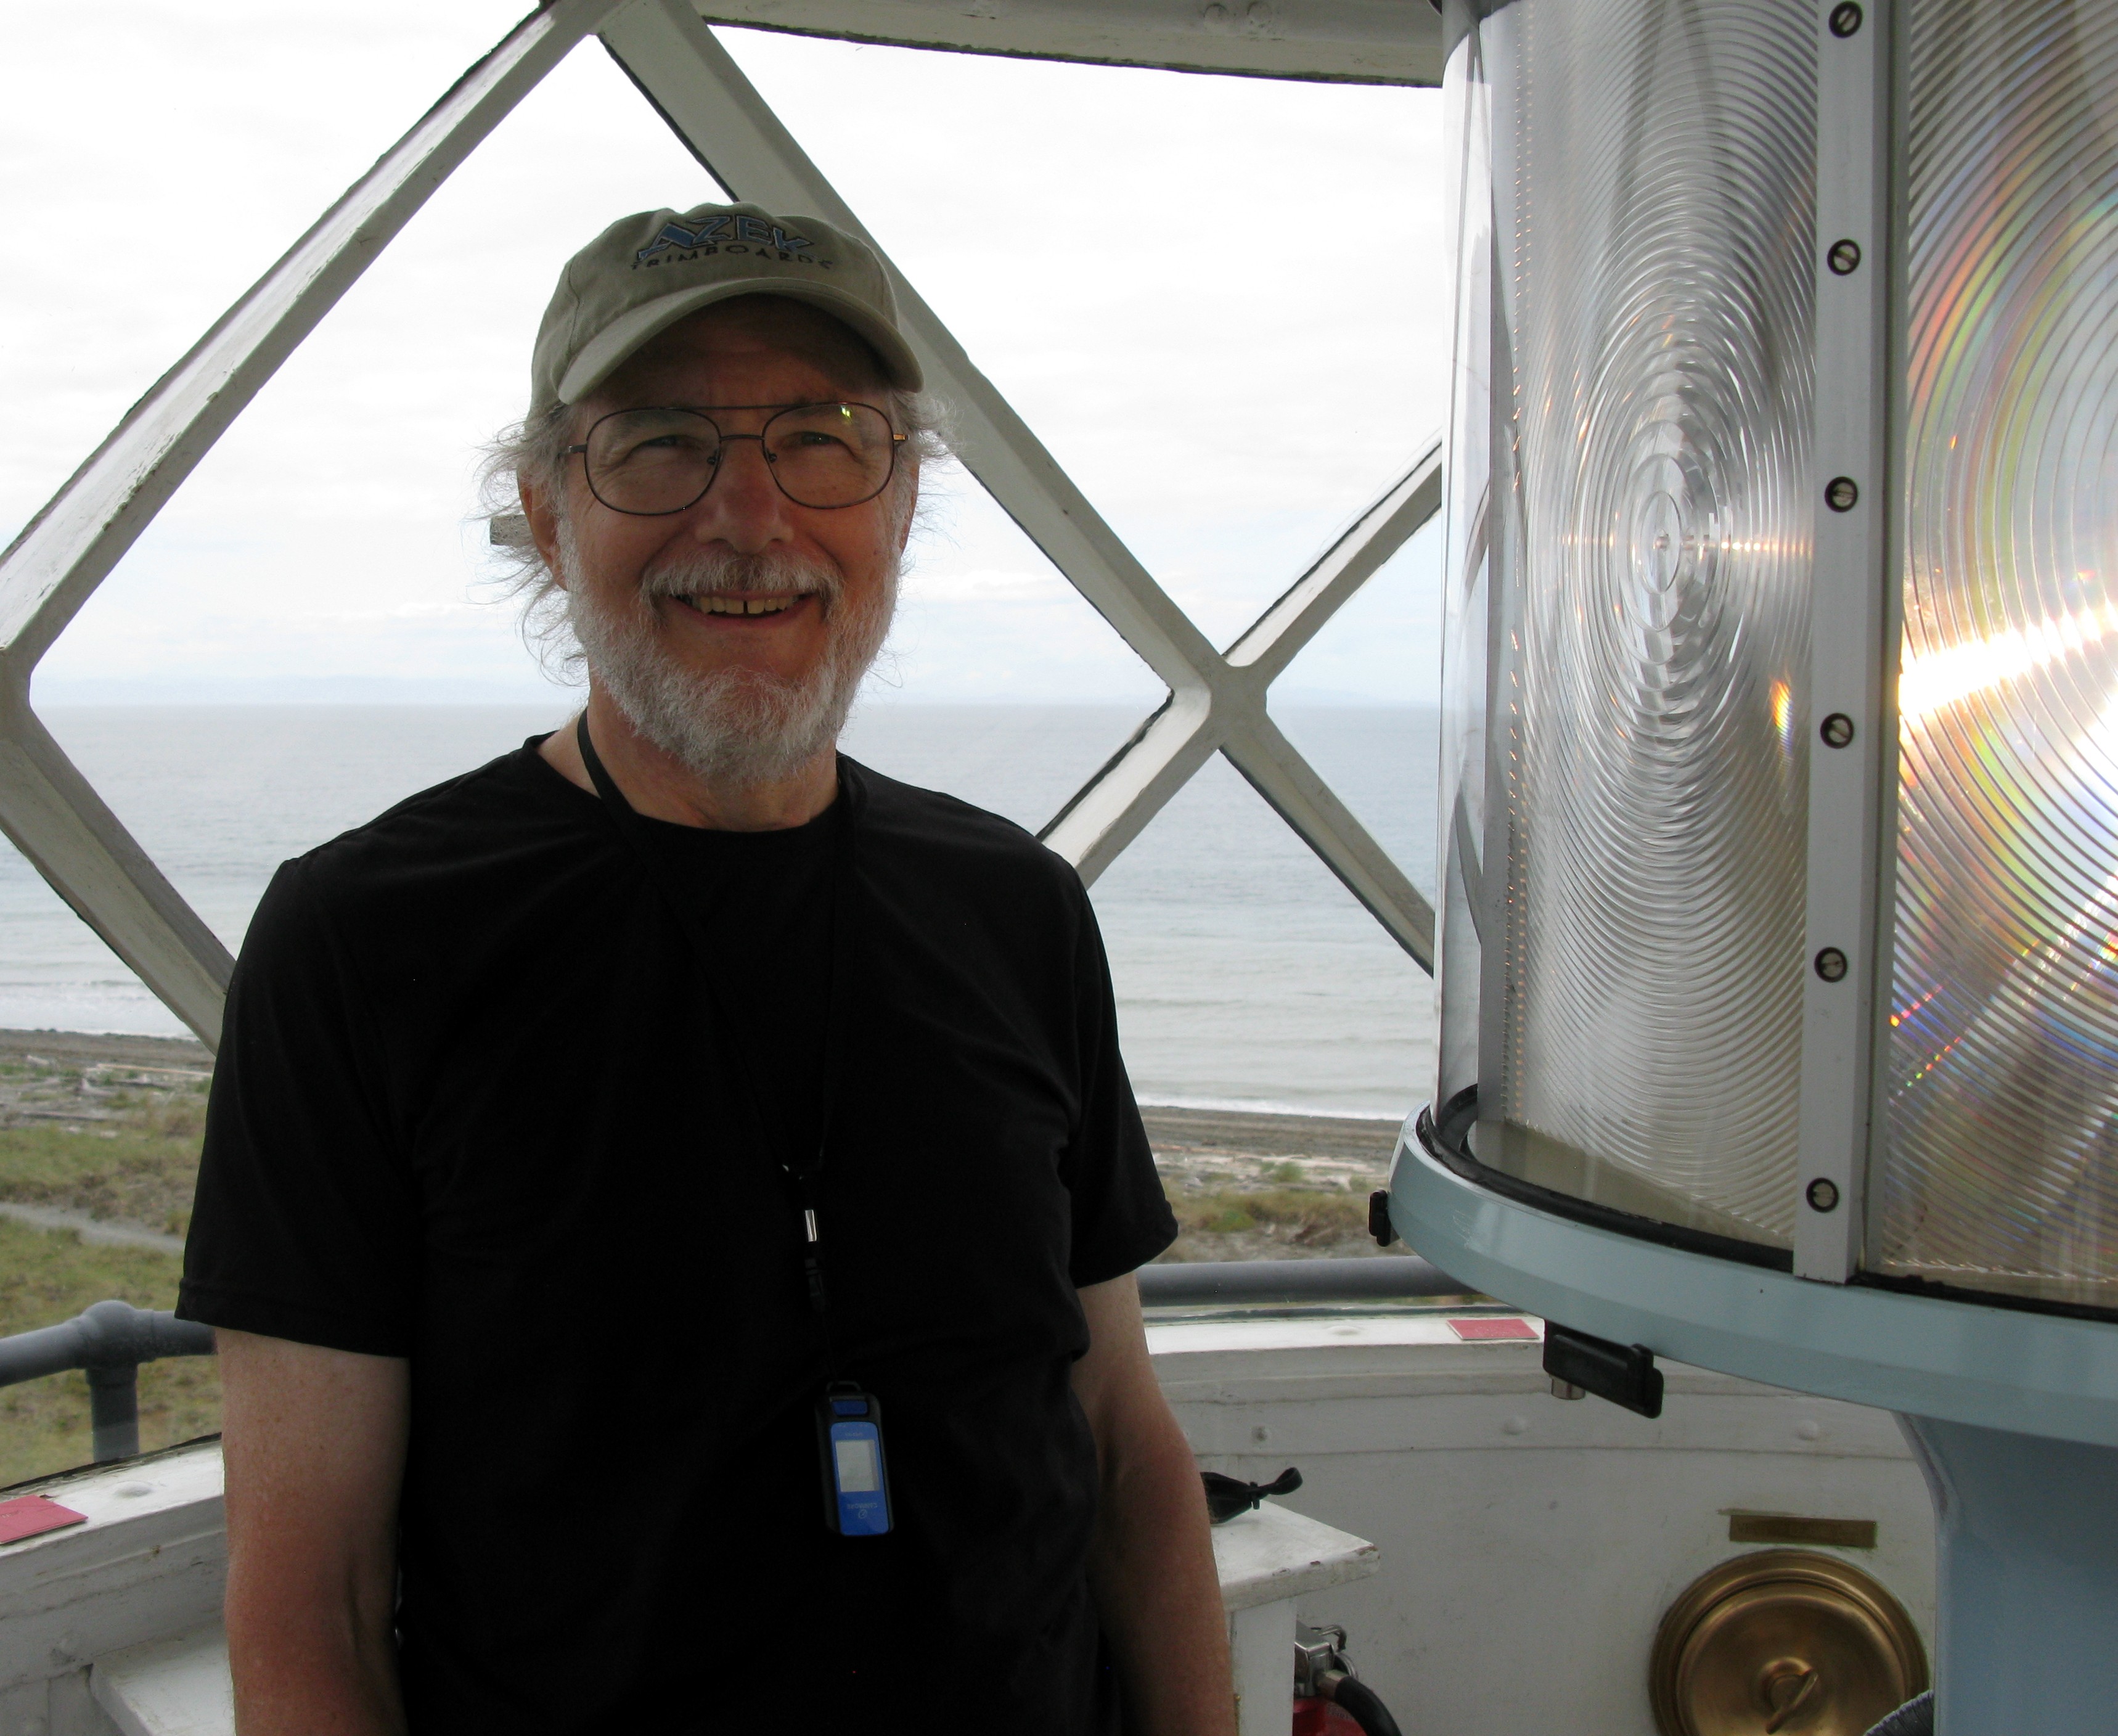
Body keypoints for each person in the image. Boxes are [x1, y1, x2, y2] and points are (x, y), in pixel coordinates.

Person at [177, 201, 1235, 1735]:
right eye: (659, 443)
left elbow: (1124, 1444)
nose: (749, 517)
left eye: (821, 437)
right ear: (548, 514)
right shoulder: (364, 940)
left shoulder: (1015, 909)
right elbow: (309, 1596)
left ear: (900, 500)